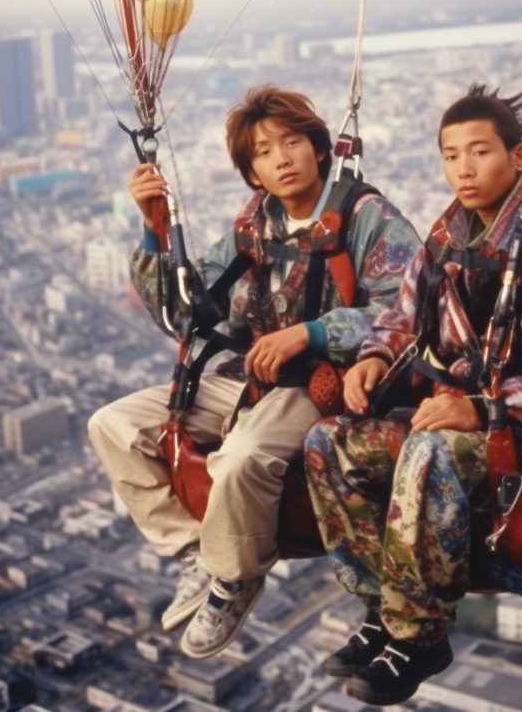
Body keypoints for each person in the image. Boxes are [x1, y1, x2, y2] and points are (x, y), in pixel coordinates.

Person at [304, 83, 522, 706]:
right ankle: (384, 610)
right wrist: (370, 359)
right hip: (465, 418)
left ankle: (421, 638)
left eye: (479, 152)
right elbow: (403, 315)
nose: (463, 169)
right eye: (451, 155)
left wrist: (480, 409)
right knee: (329, 442)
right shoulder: (447, 238)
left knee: (432, 451)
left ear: (519, 157)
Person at [88, 84, 419, 660]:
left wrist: (313, 332)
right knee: (113, 425)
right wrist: (153, 228)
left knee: (243, 458)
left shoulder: (366, 219)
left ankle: (235, 576)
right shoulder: (255, 226)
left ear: (319, 148)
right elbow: (183, 310)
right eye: (264, 152)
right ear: (252, 171)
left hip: (324, 382)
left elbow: (411, 311)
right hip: (252, 377)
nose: (281, 158)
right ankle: (196, 549)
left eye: (292, 142)